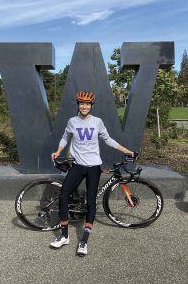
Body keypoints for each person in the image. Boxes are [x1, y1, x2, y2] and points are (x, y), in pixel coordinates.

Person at [50, 90, 134, 256]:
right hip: (77, 165)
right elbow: (65, 137)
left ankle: (84, 240)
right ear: (78, 105)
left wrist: (128, 151)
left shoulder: (97, 122)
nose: (84, 106)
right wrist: (58, 150)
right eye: (81, 103)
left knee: (91, 201)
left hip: (94, 166)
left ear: (91, 106)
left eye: (87, 104)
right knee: (64, 195)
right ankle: (64, 235)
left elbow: (108, 139)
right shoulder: (72, 121)